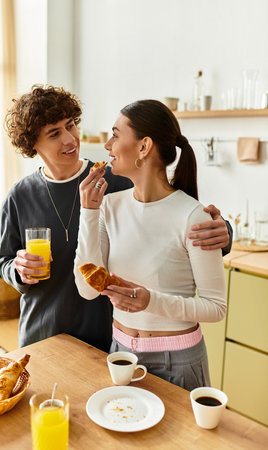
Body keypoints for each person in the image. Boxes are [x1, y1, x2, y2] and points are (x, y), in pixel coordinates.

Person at [0, 86, 231, 353]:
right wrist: (18, 270)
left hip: (103, 336)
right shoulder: (20, 195)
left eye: (71, 125)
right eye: (54, 133)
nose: (70, 139)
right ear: (32, 144)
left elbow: (174, 212)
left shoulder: (118, 182)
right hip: (41, 333)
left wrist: (225, 233)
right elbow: (4, 258)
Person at [74, 99, 227, 391]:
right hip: (120, 353)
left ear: (143, 147)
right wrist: (88, 212)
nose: (108, 145)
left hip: (178, 361)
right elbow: (87, 289)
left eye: (116, 135)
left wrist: (150, 301)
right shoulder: (107, 206)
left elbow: (215, 308)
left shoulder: (192, 214)